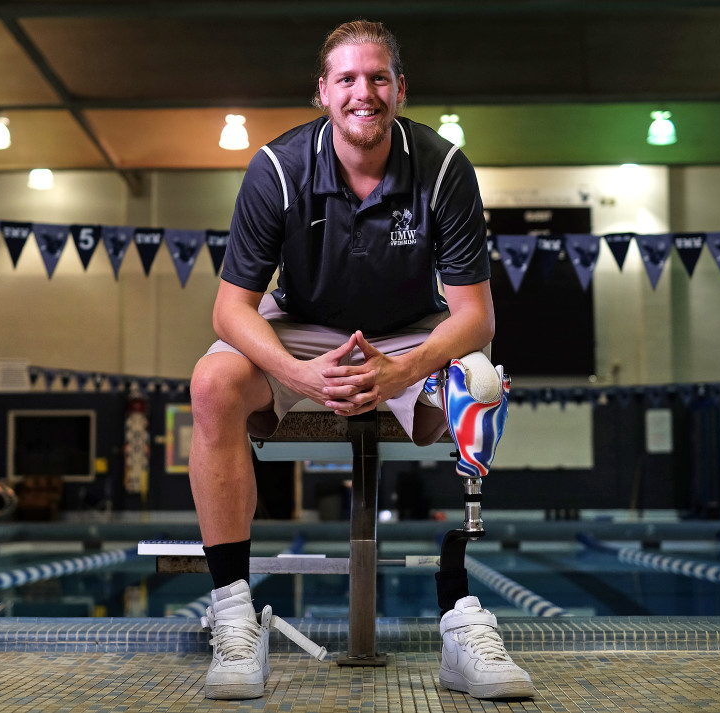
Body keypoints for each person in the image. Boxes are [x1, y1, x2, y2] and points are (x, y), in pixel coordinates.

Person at [187, 19, 535, 701]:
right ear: (323, 91)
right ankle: (233, 614)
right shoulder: (278, 170)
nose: (363, 92)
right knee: (213, 381)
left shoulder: (442, 169)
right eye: (346, 78)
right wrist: (300, 374)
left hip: (407, 330)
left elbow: (475, 315)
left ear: (400, 88)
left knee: (484, 380)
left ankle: (463, 618)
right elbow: (230, 311)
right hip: (303, 326)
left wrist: (403, 371)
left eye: (377, 77)